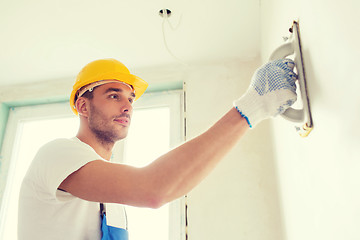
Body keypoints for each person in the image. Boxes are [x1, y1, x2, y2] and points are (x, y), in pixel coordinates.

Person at [18, 58, 297, 240]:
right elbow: (154, 189)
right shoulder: (57, 154)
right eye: (114, 95)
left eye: (130, 98)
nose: (127, 106)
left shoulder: (110, 201)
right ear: (83, 105)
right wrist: (252, 107)